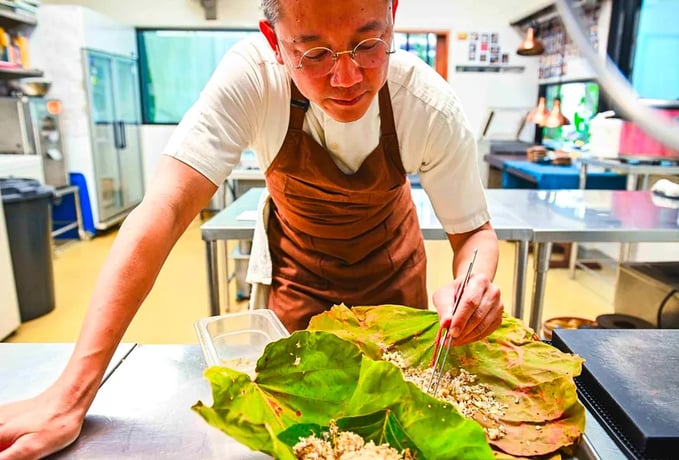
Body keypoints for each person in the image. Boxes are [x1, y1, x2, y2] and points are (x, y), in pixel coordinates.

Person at [0, 0, 503, 458]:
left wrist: (473, 284)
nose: (347, 76)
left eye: (368, 45)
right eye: (315, 54)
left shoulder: (428, 105)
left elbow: (474, 236)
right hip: (296, 280)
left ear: (393, 13)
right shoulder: (252, 80)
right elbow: (165, 211)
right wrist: (71, 394)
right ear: (273, 40)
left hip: (392, 286)